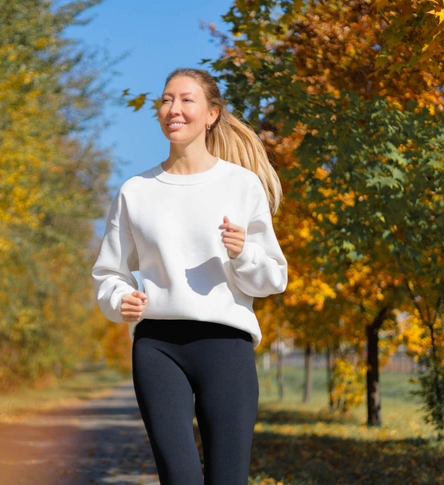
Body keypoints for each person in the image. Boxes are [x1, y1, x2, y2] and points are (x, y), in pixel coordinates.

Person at [91, 67, 288, 485]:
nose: (173, 109)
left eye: (185, 100)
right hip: (158, 347)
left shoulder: (242, 184)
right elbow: (109, 272)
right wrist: (119, 298)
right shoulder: (135, 191)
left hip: (226, 347)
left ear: (212, 114)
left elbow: (273, 278)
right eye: (166, 100)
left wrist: (242, 254)